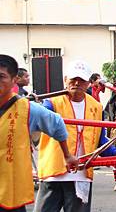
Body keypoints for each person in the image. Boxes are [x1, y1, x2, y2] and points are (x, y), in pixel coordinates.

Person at [34, 60, 116, 212]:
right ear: (65, 80)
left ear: (89, 83)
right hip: (53, 174)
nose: (76, 83)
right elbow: (38, 122)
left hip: (81, 175)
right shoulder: (51, 103)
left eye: (81, 80)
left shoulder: (96, 107)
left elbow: (100, 141)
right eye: (73, 79)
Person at [0, 54, 78, 212]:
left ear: (14, 79)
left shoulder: (27, 109)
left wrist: (67, 155)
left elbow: (57, 124)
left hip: (9, 193)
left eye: (1, 77)